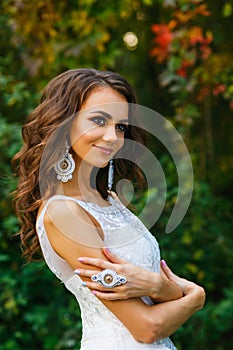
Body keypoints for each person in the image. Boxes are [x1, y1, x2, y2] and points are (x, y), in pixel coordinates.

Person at [13, 68, 205, 350]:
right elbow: (147, 326)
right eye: (99, 120)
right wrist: (196, 296)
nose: (112, 136)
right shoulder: (64, 213)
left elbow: (162, 294)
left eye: (120, 126)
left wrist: (159, 287)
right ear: (64, 124)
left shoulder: (110, 199)